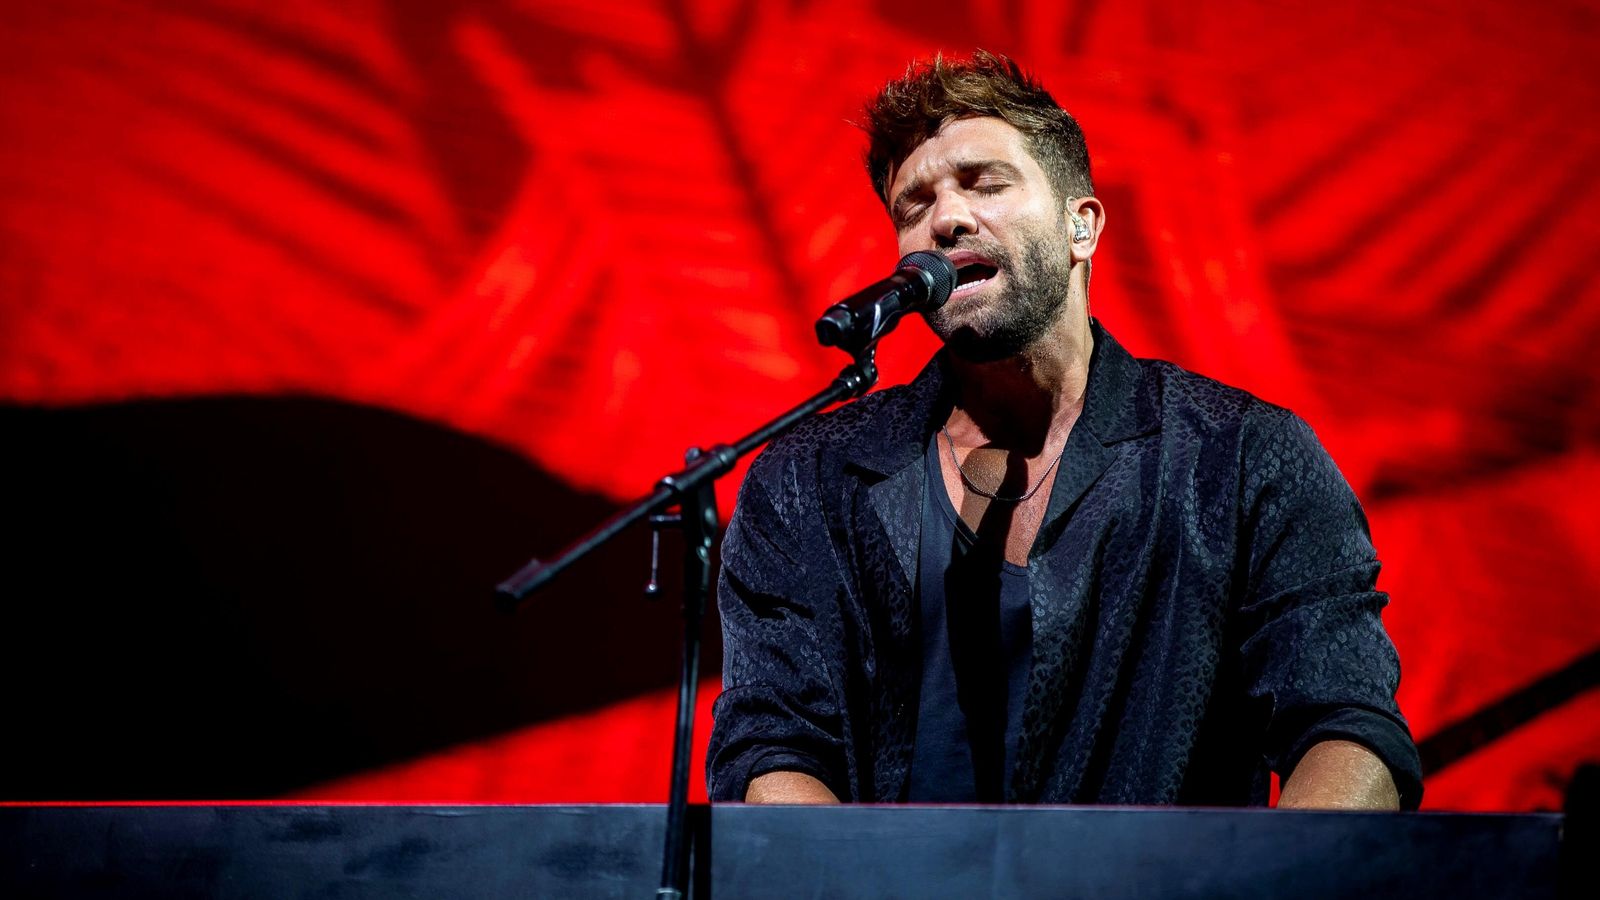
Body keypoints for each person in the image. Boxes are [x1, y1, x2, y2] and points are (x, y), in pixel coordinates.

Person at [706, 51, 1422, 809]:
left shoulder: (1241, 459)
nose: (946, 219)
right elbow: (773, 743)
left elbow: (1347, 725)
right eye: (914, 207)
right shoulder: (807, 481)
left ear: (1082, 226)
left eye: (983, 183)